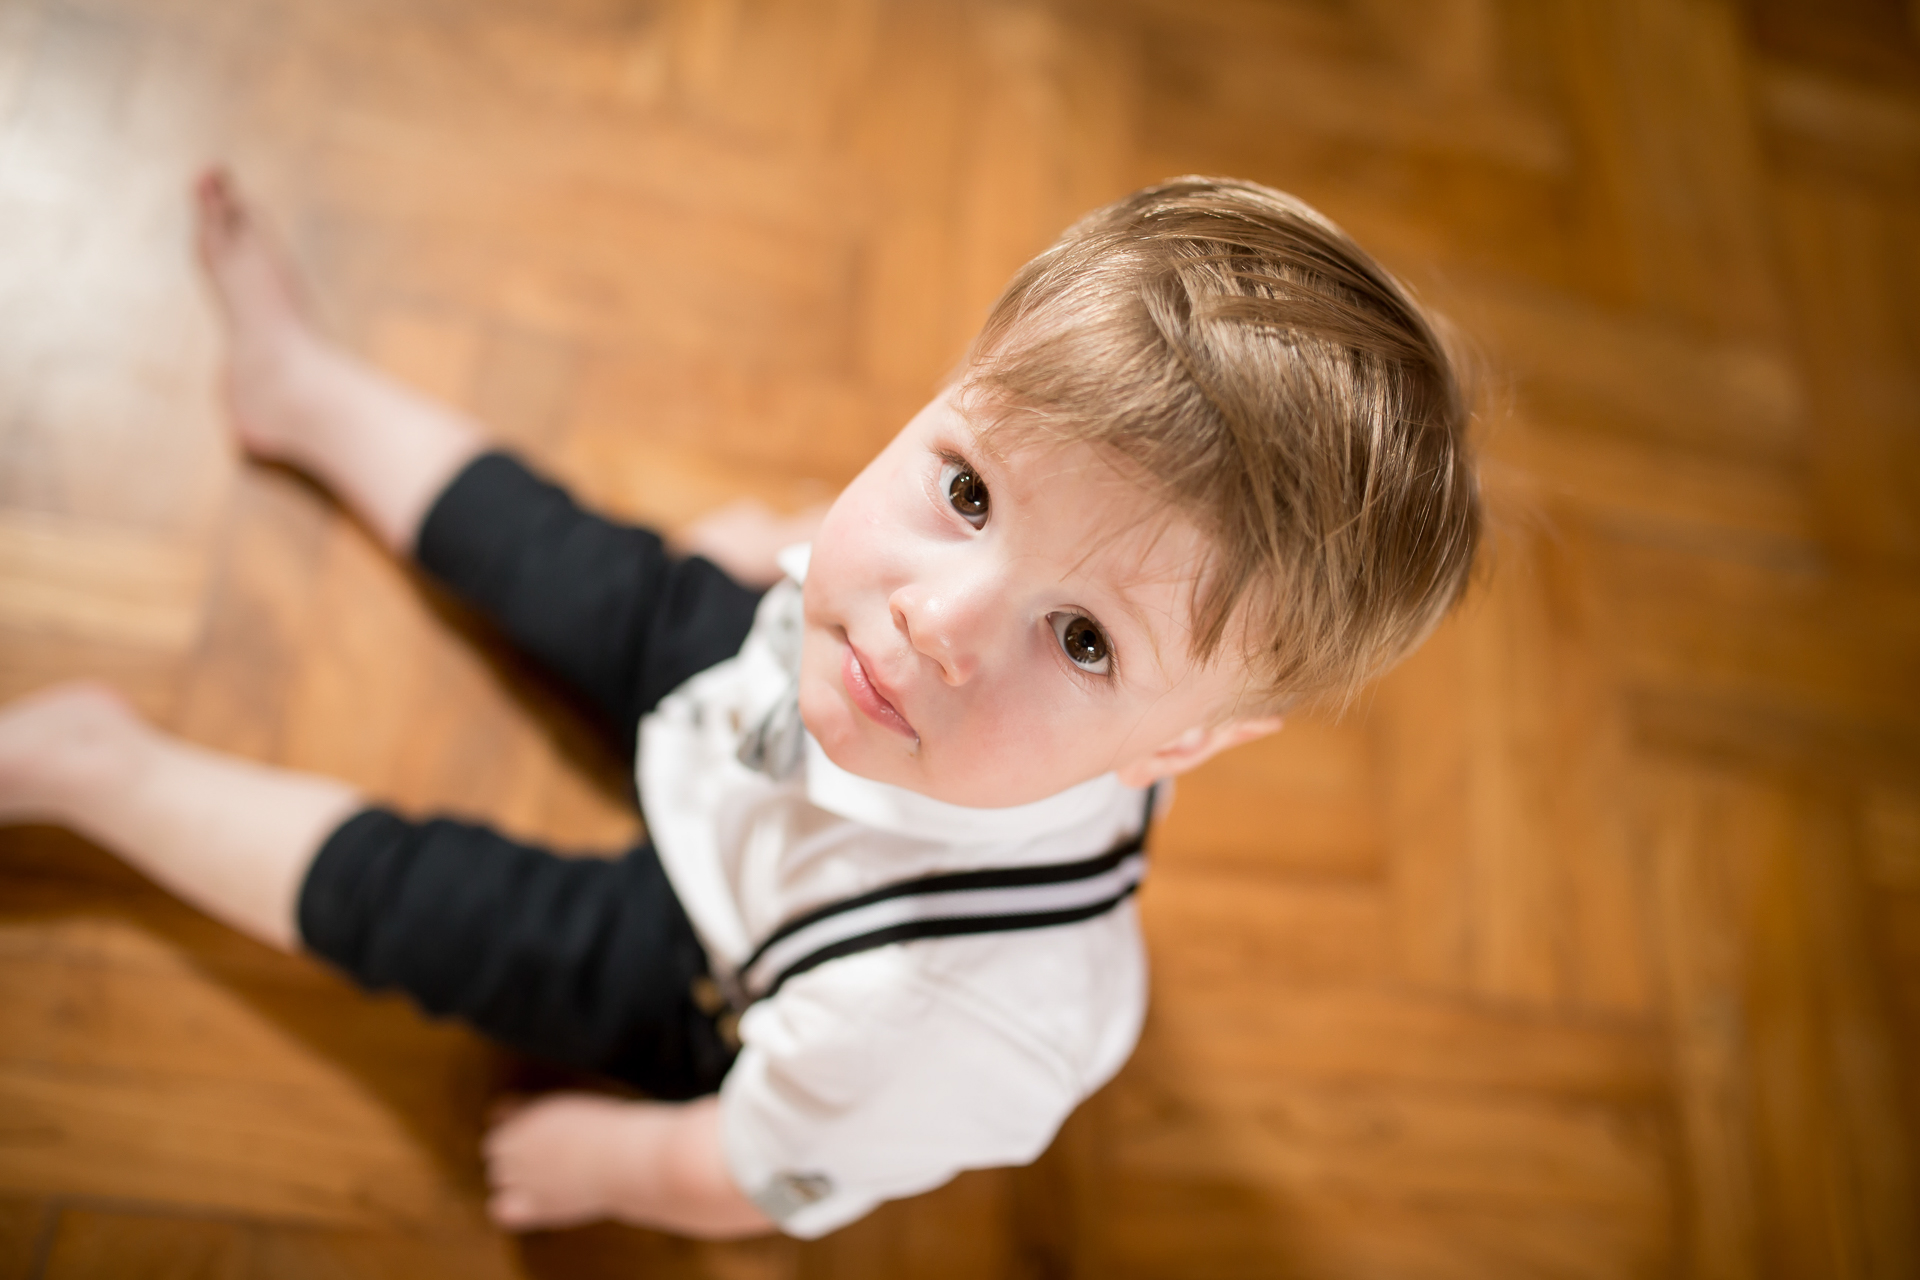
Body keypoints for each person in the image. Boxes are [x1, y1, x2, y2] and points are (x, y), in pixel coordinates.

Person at [0, 171, 1480, 1239]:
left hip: (722, 956)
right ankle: (303, 389)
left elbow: (757, 1170)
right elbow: (918, 561)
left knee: (442, 906)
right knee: (567, 556)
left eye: (1084, 639)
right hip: (767, 679)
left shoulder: (948, 1021)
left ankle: (94, 770)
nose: (935, 619)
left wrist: (621, 1166)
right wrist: (777, 539)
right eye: (967, 491)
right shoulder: (909, 631)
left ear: (1185, 746)